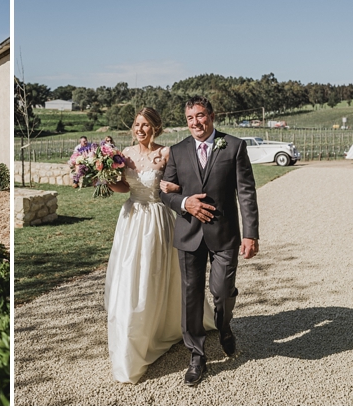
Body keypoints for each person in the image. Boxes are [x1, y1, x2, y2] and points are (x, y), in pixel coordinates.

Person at [102, 107, 214, 384]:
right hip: (131, 220)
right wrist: (104, 176)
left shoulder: (166, 153)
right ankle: (134, 337)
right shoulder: (124, 154)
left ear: (155, 128)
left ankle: (168, 324)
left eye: (146, 125)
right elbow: (124, 189)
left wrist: (175, 190)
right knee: (131, 276)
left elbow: (180, 183)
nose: (140, 129)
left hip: (158, 219)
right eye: (137, 124)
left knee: (159, 273)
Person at [161, 96, 259, 386]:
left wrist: (250, 233)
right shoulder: (177, 151)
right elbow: (165, 192)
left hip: (225, 234)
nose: (196, 123)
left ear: (212, 116)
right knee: (190, 296)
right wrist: (184, 202)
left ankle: (224, 325)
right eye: (190, 118)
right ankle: (196, 354)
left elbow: (246, 192)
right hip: (189, 234)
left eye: (200, 116)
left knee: (222, 289)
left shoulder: (235, 146)